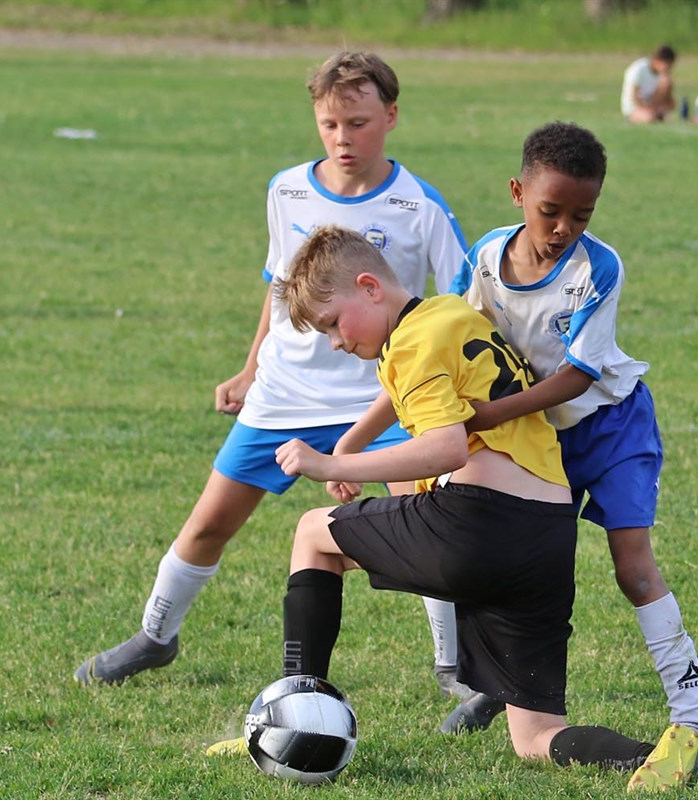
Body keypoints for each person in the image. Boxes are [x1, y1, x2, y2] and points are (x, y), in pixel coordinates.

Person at [222, 224, 695, 787]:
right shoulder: (450, 314)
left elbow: (444, 446)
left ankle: (289, 714)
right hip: (545, 536)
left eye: (331, 324)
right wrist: (350, 441)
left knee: (311, 533)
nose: (335, 342)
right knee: (535, 738)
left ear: (370, 287)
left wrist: (330, 464)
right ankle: (655, 752)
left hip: (478, 523)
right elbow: (411, 392)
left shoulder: (411, 342)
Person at [73, 51, 472, 699]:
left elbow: (458, 302)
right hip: (283, 395)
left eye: (359, 123)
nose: (343, 138)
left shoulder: (418, 206)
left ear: (392, 117)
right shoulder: (286, 190)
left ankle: (455, 668)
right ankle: (155, 636)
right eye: (330, 124)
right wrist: (250, 366)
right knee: (208, 524)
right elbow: (281, 289)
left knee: (422, 528)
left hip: (381, 400)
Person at [449, 121, 698, 791]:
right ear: (518, 193)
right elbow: (450, 332)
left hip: (613, 428)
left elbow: (576, 376)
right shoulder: (484, 258)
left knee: (633, 569)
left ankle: (695, 720)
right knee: (517, 569)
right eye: (550, 211)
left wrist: (488, 415)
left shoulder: (599, 268)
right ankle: (502, 688)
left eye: (582, 214)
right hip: (538, 440)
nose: (564, 227)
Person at [621, 44, 678, 124]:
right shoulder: (638, 69)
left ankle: (655, 114)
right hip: (634, 108)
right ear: (659, 61)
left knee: (665, 83)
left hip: (651, 107)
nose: (669, 70)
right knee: (650, 118)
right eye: (668, 66)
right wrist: (647, 110)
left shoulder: (660, 75)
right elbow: (634, 95)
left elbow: (672, 105)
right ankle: (646, 116)